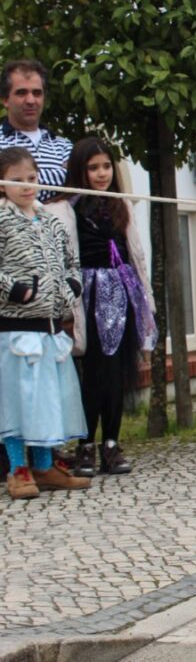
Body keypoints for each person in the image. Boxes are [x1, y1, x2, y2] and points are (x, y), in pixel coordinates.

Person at [55, 138, 156, 477]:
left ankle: (111, 442)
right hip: (88, 297)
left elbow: (136, 254)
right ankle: (85, 444)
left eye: (106, 167)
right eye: (93, 168)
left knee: (115, 373)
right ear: (80, 171)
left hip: (123, 295)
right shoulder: (68, 208)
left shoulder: (121, 205)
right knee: (92, 375)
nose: (101, 174)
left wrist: (143, 302)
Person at [0, 147, 90, 499]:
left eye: (31, 178)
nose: (26, 185)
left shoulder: (52, 220)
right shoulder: (2, 221)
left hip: (51, 329)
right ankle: (17, 469)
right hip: (16, 330)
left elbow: (71, 262)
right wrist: (14, 289)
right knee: (17, 401)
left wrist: (73, 286)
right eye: (16, 179)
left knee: (47, 402)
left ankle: (44, 465)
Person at [0, 60, 72, 202]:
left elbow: (78, 185)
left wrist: (16, 182)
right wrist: (62, 175)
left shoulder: (64, 146)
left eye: (37, 93)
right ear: (5, 100)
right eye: (21, 93)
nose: (31, 100)